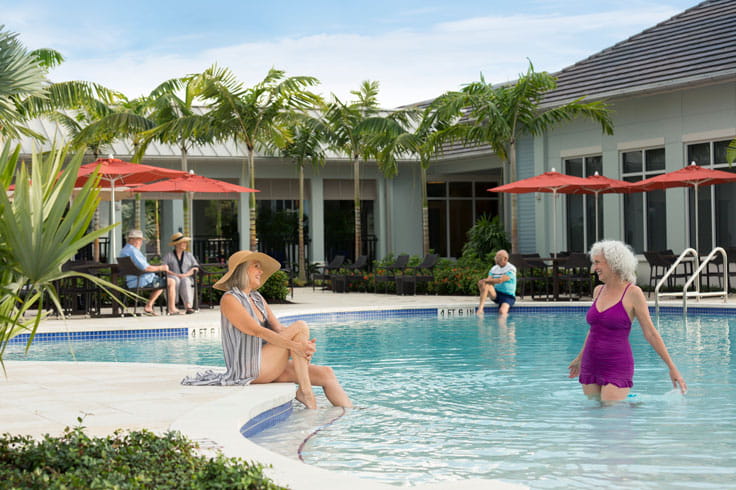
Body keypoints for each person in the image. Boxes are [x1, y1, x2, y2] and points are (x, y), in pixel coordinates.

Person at [182, 250, 352, 410]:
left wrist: (303, 344)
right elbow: (257, 331)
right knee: (300, 325)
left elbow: (279, 329)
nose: (261, 271)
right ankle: (306, 392)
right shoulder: (230, 299)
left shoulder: (256, 297)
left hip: (266, 364)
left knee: (326, 374)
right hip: (248, 369)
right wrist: (296, 347)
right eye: (256, 266)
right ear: (242, 270)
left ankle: (350, 415)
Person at [568, 240, 687, 403]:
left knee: (614, 419)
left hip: (616, 363)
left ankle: (636, 407)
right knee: (594, 418)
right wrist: (580, 358)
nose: (594, 268)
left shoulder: (633, 293)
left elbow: (650, 332)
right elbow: (594, 329)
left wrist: (672, 368)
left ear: (613, 263)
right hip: (591, 361)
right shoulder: (598, 291)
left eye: (597, 263)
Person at [118, 229, 176, 316]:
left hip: (131, 281)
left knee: (161, 281)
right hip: (141, 280)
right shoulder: (133, 251)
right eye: (140, 240)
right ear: (134, 240)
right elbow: (146, 268)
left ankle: (149, 305)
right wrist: (161, 267)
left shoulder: (123, 251)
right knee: (171, 281)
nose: (141, 242)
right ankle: (171, 309)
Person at [162, 232, 200, 315]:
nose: (185, 244)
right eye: (183, 242)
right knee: (175, 280)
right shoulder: (168, 255)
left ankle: (188, 306)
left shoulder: (189, 255)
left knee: (185, 280)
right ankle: (173, 304)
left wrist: (184, 275)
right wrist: (176, 275)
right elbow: (164, 268)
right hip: (172, 277)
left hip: (186, 277)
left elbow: (195, 267)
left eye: (185, 242)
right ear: (177, 244)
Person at [476, 249, 516, 316]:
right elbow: (488, 281)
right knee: (485, 284)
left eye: (498, 259)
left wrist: (486, 280)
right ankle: (480, 309)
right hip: (496, 294)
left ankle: (502, 326)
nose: (496, 260)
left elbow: (500, 280)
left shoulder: (511, 268)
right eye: (496, 258)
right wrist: (482, 283)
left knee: (502, 311)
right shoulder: (494, 268)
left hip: (508, 296)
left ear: (505, 259)